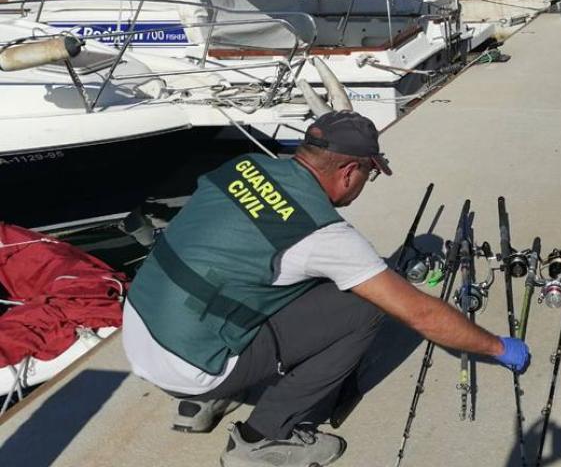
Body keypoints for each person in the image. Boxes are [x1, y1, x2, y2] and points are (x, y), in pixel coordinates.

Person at [122, 111, 531, 467]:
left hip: (141, 328)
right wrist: (497, 347)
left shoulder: (244, 166)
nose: (365, 183)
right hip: (193, 366)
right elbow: (420, 313)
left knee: (267, 272)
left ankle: (204, 402)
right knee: (365, 307)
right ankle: (261, 439)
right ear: (350, 171)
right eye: (370, 174)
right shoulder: (324, 236)